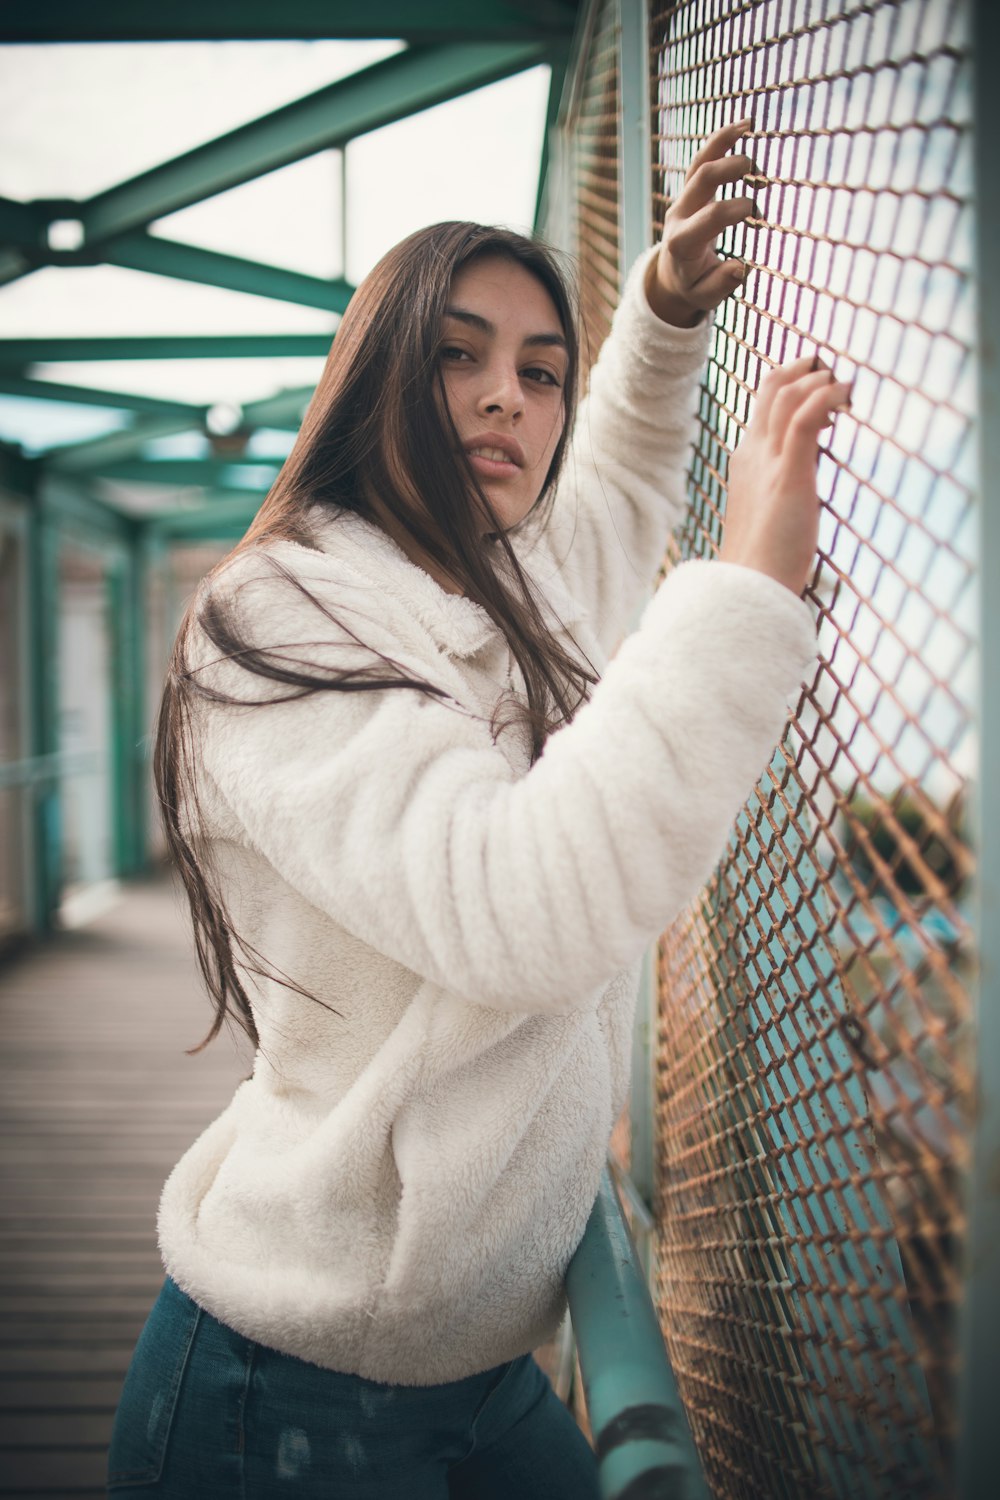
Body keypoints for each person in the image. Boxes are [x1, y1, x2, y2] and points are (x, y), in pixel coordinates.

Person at [107, 120, 849, 1498]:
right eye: (455, 353)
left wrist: (666, 319)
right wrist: (748, 588)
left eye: (538, 371)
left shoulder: (484, 585)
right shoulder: (274, 617)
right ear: (371, 376)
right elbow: (518, 911)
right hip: (292, 1390)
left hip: (472, 1355)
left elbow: (615, 499)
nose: (506, 395)